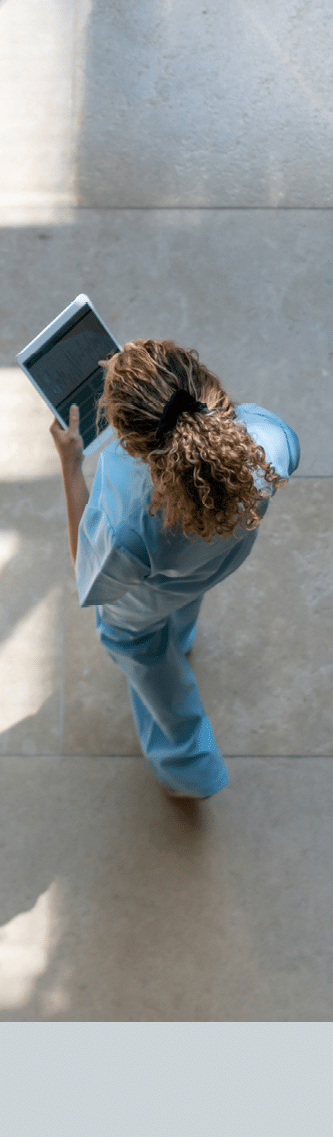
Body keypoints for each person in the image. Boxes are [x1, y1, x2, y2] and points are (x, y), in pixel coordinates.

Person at [50, 338, 300, 802]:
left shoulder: (127, 511)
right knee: (183, 599)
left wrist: (71, 465)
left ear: (130, 442)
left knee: (145, 656)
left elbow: (92, 573)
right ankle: (181, 640)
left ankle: (192, 769)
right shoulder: (272, 439)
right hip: (217, 561)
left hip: (145, 601)